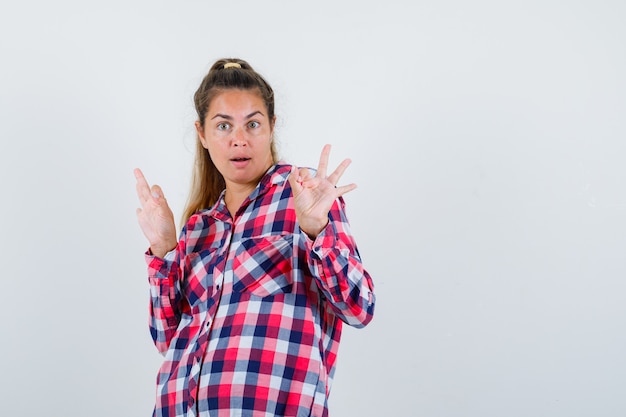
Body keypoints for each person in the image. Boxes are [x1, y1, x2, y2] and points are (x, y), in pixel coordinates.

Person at [134, 58, 375, 417]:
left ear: (271, 127)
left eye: (253, 123)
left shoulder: (306, 195)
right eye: (223, 126)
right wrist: (165, 250)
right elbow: (167, 341)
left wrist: (315, 229)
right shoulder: (199, 227)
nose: (239, 139)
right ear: (202, 134)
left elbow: (359, 308)